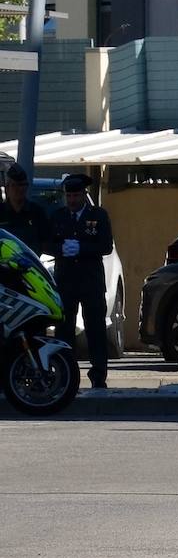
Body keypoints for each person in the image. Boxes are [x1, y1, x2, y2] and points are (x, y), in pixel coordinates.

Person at [48, 173, 114, 390]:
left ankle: (98, 375)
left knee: (95, 329)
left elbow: (106, 245)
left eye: (76, 195)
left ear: (84, 195)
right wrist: (60, 249)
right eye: (69, 196)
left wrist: (82, 248)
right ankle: (65, 374)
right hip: (66, 281)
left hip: (90, 281)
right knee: (64, 330)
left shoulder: (98, 215)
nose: (72, 200)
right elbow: (47, 243)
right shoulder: (58, 216)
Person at [0, 165, 52, 255]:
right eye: (14, 185)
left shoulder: (37, 212)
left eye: (22, 185)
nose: (19, 189)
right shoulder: (1, 212)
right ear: (7, 188)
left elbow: (46, 243)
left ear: (27, 187)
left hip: (30, 261)